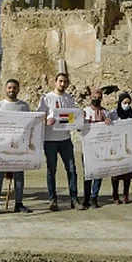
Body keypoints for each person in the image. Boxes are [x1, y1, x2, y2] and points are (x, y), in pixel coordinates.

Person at [0, 79, 32, 216]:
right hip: (1, 146)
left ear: (18, 89)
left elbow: (30, 124)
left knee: (19, 175)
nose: (12, 90)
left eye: (14, 88)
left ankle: (18, 203)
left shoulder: (24, 106)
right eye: (9, 87)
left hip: (18, 146)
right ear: (5, 89)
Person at [37, 73, 80, 211]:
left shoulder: (70, 99)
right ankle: (52, 200)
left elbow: (71, 118)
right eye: (60, 81)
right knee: (51, 170)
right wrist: (46, 121)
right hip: (50, 140)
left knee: (72, 170)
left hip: (65, 139)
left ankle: (74, 199)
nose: (62, 84)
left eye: (65, 82)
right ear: (55, 82)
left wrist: (77, 120)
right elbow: (39, 117)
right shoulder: (46, 98)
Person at [82, 88, 115, 209]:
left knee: (98, 174)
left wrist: (109, 123)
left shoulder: (106, 113)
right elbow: (79, 128)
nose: (96, 99)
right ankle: (86, 198)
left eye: (99, 97)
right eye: (94, 97)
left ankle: (94, 197)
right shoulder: (84, 112)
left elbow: (111, 130)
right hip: (88, 147)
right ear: (90, 97)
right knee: (88, 174)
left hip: (101, 148)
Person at [110, 92, 132, 205]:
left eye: (129, 103)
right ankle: (115, 194)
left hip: (128, 145)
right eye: (125, 103)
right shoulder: (114, 114)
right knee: (116, 172)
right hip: (116, 146)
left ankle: (126, 194)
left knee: (128, 171)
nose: (127, 105)